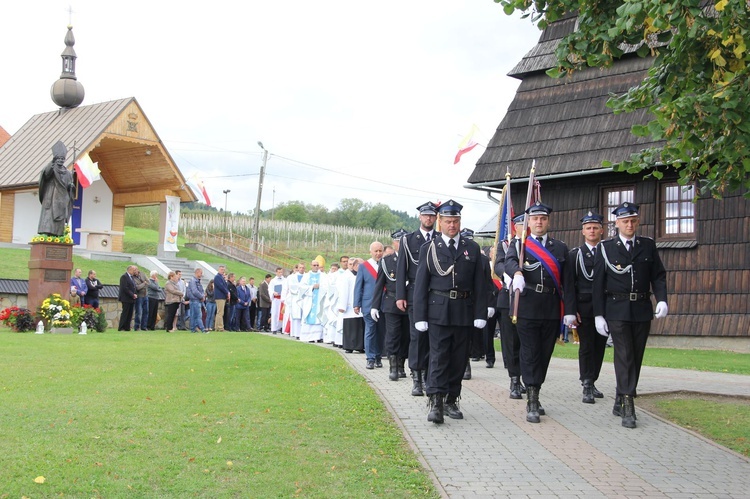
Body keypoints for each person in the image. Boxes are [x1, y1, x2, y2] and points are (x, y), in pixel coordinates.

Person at [593, 202, 668, 428]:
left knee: (636, 356)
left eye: (633, 220)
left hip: (642, 308)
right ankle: (628, 403)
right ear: (617, 224)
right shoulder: (606, 248)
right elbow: (598, 284)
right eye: (625, 221)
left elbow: (658, 275)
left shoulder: (647, 245)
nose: (630, 225)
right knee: (624, 354)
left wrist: (662, 299)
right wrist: (598, 314)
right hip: (617, 308)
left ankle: (619, 395)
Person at [413, 200, 487, 424]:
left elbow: (480, 285)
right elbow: (421, 285)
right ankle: (436, 401)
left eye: (455, 221)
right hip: (438, 311)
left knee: (458, 359)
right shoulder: (430, 248)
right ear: (440, 223)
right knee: (438, 357)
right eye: (447, 221)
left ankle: (452, 399)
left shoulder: (471, 248)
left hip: (463, 310)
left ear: (460, 222)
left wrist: (480, 313)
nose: (451, 225)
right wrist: (420, 317)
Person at [505, 201, 572, 423]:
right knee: (529, 352)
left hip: (551, 308)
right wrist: (516, 273)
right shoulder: (521, 244)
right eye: (535, 219)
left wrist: (570, 311)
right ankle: (532, 397)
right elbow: (509, 262)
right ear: (529, 222)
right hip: (527, 306)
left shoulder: (560, 248)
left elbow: (568, 282)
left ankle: (536, 388)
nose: (539, 222)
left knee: (544, 354)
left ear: (548, 221)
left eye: (542, 218)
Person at [563, 211, 607, 404]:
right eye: (588, 228)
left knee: (600, 347)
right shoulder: (575, 255)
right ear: (583, 231)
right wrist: (572, 310)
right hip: (584, 308)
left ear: (602, 230)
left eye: (595, 227)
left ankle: (594, 379)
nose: (592, 231)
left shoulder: (608, 252)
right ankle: (586, 382)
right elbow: (569, 285)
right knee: (587, 346)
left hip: (605, 308)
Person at [396, 201, 437, 396]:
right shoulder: (408, 240)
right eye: (426, 215)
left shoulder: (439, 238)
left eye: (432, 215)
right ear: (420, 217)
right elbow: (401, 269)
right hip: (414, 294)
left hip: (435, 295)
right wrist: (400, 296)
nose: (429, 218)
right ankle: (417, 377)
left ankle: (430, 376)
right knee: (417, 337)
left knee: (433, 337)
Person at [494, 214, 527, 399]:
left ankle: (526, 377)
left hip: (527, 300)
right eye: (522, 225)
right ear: (515, 228)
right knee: (511, 342)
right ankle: (514, 379)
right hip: (507, 299)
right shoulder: (505, 245)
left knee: (526, 343)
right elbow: (498, 264)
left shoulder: (532, 246)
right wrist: (509, 275)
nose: (525, 228)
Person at [372, 229, 410, 381]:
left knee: (406, 336)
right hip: (391, 303)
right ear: (393, 243)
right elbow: (379, 284)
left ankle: (401, 365)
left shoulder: (413, 260)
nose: (400, 244)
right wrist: (375, 305)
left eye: (403, 241)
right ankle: (393, 367)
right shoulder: (386, 261)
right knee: (393, 335)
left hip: (409, 303)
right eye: (397, 241)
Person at [354, 241, 385, 369]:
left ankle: (378, 356)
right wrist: (357, 303)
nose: (378, 253)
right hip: (368, 303)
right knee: (370, 330)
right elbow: (358, 286)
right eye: (375, 251)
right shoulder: (364, 266)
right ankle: (370, 358)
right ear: (370, 252)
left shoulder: (386, 264)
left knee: (381, 332)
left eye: (380, 251)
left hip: (383, 303)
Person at [37, 140, 75, 236]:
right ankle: (46, 234)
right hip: (51, 196)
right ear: (55, 158)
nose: (61, 160)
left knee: (59, 221)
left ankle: (58, 235)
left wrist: (71, 186)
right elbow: (45, 174)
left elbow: (69, 186)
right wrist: (52, 163)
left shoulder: (67, 173)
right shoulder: (52, 168)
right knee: (48, 217)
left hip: (61, 200)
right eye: (59, 158)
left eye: (63, 159)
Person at [299, 260, 328, 342]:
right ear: (311, 265)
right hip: (309, 299)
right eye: (314, 265)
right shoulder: (306, 276)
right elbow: (301, 287)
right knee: (309, 316)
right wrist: (312, 287)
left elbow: (326, 286)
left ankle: (318, 337)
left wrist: (320, 286)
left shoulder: (323, 276)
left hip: (319, 299)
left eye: (317, 265)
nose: (316, 266)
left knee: (319, 316)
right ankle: (308, 337)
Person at [339, 258, 364, 352]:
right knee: (350, 327)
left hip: (360, 304)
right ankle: (349, 346)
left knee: (360, 327)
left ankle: (360, 346)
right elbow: (343, 291)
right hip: (349, 305)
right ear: (354, 266)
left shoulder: (362, 274)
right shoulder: (346, 276)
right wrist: (342, 305)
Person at [283, 263, 306, 338]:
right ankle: (296, 333)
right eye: (300, 267)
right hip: (295, 298)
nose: (301, 269)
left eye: (303, 268)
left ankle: (303, 333)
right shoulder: (292, 277)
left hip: (304, 298)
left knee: (303, 316)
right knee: (295, 316)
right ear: (298, 268)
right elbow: (291, 286)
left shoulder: (307, 276)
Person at [186, 268, 207, 333]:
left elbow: (201, 290)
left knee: (193, 315)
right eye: (201, 273)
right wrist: (201, 296)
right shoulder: (193, 281)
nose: (201, 274)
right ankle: (202, 329)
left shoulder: (197, 281)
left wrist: (202, 296)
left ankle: (193, 329)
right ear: (197, 272)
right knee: (198, 315)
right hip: (195, 300)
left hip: (196, 300)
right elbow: (195, 291)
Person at [118, 265, 139, 331]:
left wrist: (134, 294)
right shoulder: (124, 277)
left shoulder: (132, 277)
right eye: (133, 270)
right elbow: (125, 288)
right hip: (126, 298)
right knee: (125, 312)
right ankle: (121, 327)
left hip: (131, 298)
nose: (134, 272)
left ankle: (127, 327)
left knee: (130, 313)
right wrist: (132, 294)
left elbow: (133, 286)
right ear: (129, 270)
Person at [213, 265, 229, 332]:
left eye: (223, 270)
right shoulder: (217, 277)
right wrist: (227, 292)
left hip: (221, 296)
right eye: (221, 269)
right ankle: (220, 327)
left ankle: (217, 327)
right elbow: (221, 287)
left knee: (219, 312)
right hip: (220, 296)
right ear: (218, 270)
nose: (223, 271)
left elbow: (224, 285)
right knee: (220, 313)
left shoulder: (221, 277)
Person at [270, 268, 285, 333]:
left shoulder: (285, 280)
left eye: (281, 272)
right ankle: (274, 328)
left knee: (283, 313)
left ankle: (282, 327)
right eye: (279, 272)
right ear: (276, 272)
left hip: (282, 299)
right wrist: (273, 292)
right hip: (276, 299)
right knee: (275, 313)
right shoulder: (273, 281)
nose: (280, 274)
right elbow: (270, 289)